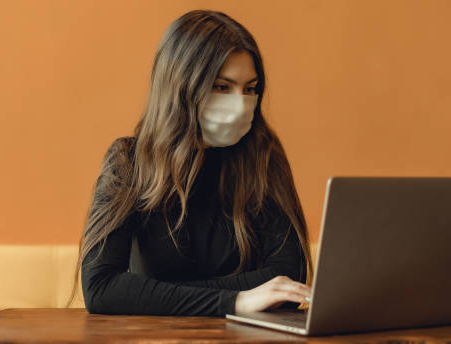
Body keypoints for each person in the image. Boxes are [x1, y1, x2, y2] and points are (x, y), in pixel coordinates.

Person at [67, 9, 314, 317]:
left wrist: (158, 294)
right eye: (222, 86)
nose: (240, 104)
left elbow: (287, 282)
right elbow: (101, 288)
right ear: (181, 87)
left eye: (249, 89)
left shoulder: (263, 155)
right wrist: (235, 301)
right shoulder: (128, 161)